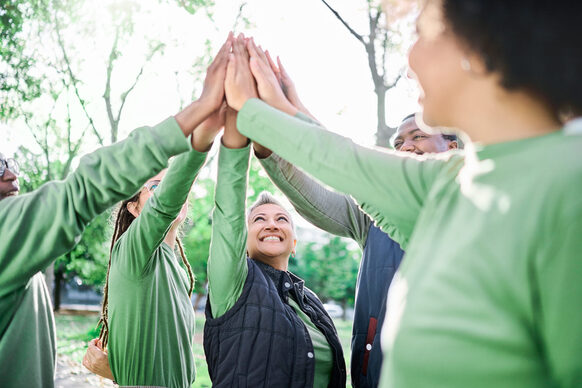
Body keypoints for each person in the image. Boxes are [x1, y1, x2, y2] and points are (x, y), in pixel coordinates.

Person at [222, 4, 582, 386]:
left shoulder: (567, 187)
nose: (409, 60)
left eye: (425, 34)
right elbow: (347, 161)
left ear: (483, 46)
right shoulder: (454, 180)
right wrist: (275, 111)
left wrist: (264, 111)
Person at [0, 32, 233, 388]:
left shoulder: (180, 269)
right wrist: (200, 133)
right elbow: (85, 189)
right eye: (156, 186)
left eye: (10, 161)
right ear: (135, 208)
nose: (11, 171)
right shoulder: (134, 250)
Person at [254, 100, 457, 387]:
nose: (406, 146)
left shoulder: (476, 209)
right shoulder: (374, 217)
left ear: (452, 148)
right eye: (398, 142)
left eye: (419, 136)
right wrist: (269, 154)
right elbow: (316, 198)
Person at [203, 52, 346, 385]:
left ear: (294, 241)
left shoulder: (309, 302)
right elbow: (227, 208)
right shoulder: (234, 283)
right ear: (243, 237)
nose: (271, 224)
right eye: (259, 219)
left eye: (282, 219)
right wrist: (241, 118)